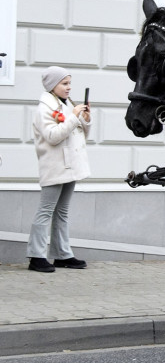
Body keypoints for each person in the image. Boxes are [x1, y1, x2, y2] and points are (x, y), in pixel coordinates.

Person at [27, 66, 91, 272]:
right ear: (52, 85)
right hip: (55, 167)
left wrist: (86, 120)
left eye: (70, 83)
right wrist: (73, 117)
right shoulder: (45, 108)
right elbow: (53, 136)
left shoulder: (65, 104)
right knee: (45, 211)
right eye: (64, 83)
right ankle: (36, 256)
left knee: (62, 212)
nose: (69, 87)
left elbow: (79, 135)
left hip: (70, 166)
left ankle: (62, 254)